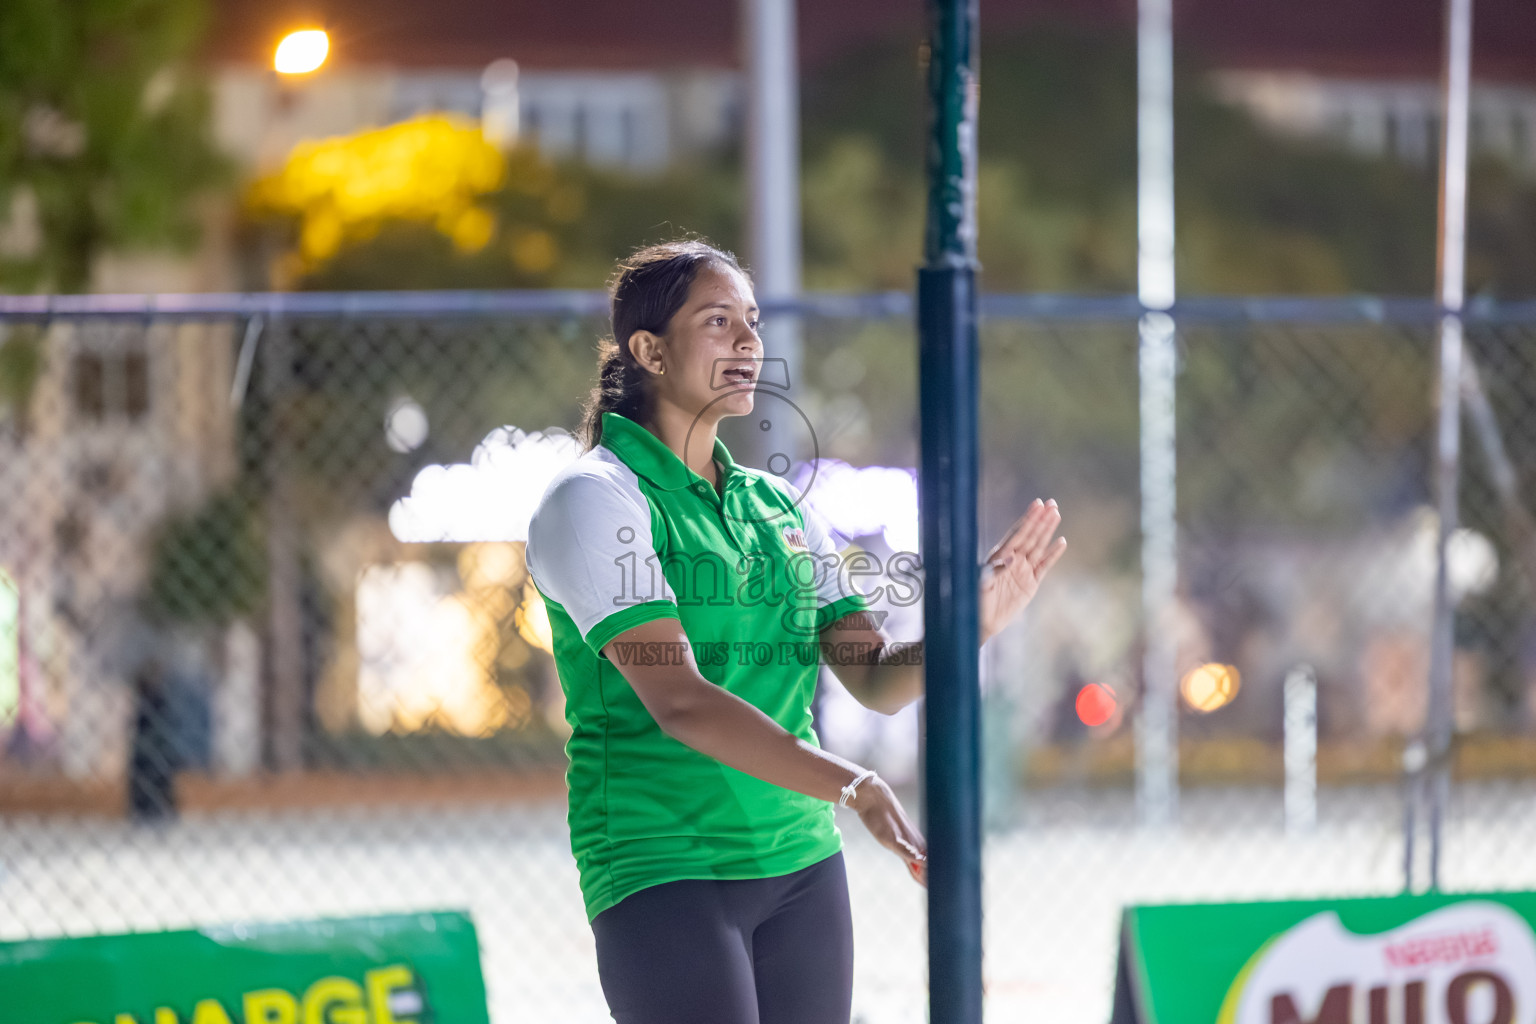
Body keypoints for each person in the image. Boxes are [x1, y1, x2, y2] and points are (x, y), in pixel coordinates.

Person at [525, 239, 1066, 1024]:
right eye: (718, 322)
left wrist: (968, 627)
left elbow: (875, 678)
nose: (748, 342)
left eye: (752, 321)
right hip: (662, 862)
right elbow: (679, 701)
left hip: (802, 862)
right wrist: (857, 784)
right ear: (648, 350)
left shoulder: (779, 507)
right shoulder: (594, 499)